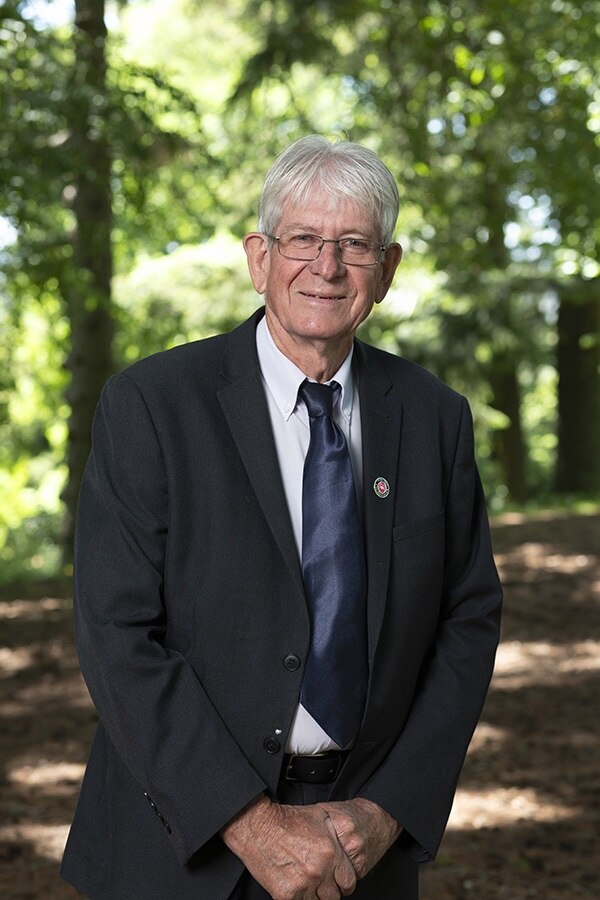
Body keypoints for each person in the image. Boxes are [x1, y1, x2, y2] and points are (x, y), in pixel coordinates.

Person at [60, 135, 502, 900]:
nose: (325, 267)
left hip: (362, 850)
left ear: (387, 271)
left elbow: (467, 621)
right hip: (177, 847)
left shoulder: (434, 419)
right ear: (259, 257)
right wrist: (251, 824)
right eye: (302, 238)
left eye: (354, 245)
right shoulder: (153, 407)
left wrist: (388, 809)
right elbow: (116, 632)